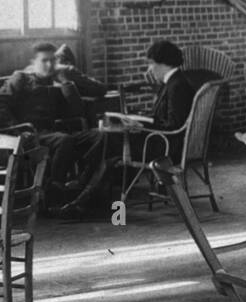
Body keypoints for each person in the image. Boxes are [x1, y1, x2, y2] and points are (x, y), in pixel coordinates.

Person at [61, 39, 194, 217]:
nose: (150, 70)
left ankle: (83, 191)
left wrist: (142, 125)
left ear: (163, 64)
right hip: (162, 141)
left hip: (166, 146)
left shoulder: (177, 86)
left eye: (151, 64)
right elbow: (166, 119)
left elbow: (174, 125)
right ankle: (85, 197)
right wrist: (141, 120)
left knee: (110, 140)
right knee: (110, 149)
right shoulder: (174, 83)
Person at [0, 42, 100, 208]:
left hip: (54, 133)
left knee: (99, 136)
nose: (49, 65)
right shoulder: (21, 78)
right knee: (64, 140)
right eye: (44, 61)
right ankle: (54, 192)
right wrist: (18, 130)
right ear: (33, 62)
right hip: (32, 135)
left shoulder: (53, 82)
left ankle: (81, 186)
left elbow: (77, 111)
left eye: (53, 61)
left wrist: (65, 84)